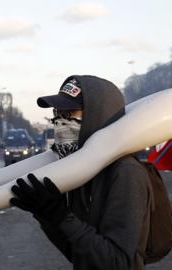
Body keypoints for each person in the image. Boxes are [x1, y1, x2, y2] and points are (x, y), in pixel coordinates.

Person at [10, 75, 151, 270]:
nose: (60, 123)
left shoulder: (126, 172)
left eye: (69, 114)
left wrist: (61, 217)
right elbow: (76, 252)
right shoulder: (82, 169)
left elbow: (118, 263)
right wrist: (46, 214)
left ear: (98, 115)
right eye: (57, 114)